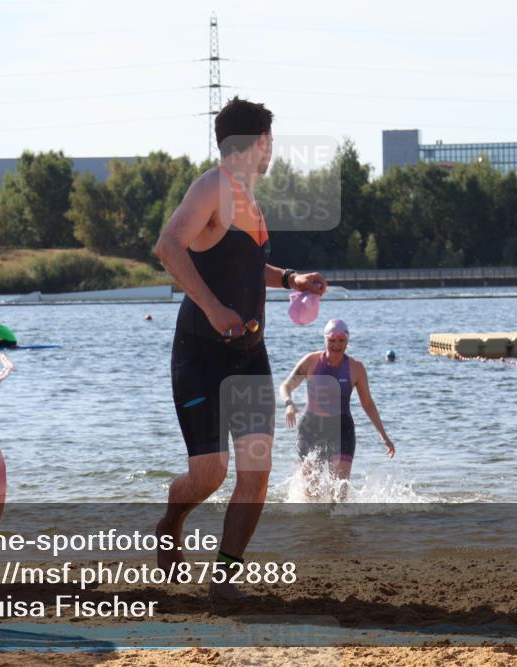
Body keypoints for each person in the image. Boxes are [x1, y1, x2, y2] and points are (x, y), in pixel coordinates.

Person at [153, 97, 326, 599]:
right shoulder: (212, 187)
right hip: (200, 353)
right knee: (210, 473)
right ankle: (171, 520)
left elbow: (249, 269)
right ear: (256, 144)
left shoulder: (251, 203)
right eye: (269, 141)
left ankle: (224, 578)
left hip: (251, 355)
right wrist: (212, 309)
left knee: (256, 474)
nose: (272, 150)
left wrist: (293, 277)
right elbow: (168, 246)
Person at [280, 319, 395, 502]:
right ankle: (313, 526)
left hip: (341, 428)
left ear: (347, 341)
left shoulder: (356, 368)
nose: (336, 345)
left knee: (339, 489)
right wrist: (288, 404)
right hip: (311, 428)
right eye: (332, 340)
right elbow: (286, 386)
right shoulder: (311, 361)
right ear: (325, 340)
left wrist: (384, 435)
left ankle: (337, 527)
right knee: (311, 486)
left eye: (341, 341)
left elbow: (368, 404)